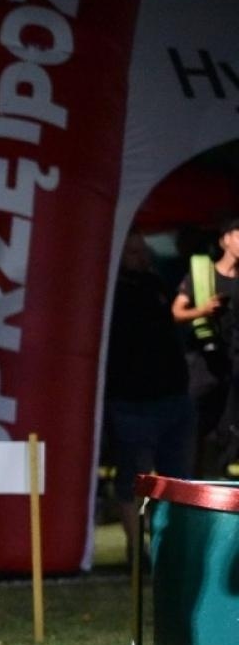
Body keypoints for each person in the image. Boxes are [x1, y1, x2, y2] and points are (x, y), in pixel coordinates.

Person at [106, 231, 194, 539]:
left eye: (143, 251)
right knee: (133, 478)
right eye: (133, 253)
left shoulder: (155, 283)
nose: (142, 258)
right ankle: (137, 552)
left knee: (179, 481)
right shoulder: (111, 294)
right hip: (133, 402)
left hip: (173, 397)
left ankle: (172, 544)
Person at [172, 217, 239, 475]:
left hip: (233, 367)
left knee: (227, 431)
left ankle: (214, 484)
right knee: (196, 427)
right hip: (204, 365)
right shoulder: (202, 274)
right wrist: (202, 310)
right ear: (225, 240)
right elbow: (177, 312)